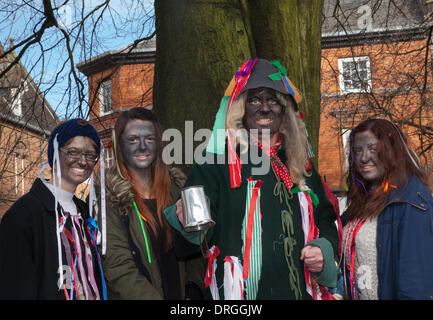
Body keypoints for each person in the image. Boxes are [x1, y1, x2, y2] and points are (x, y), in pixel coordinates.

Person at [164, 58, 340, 300]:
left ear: (285, 110)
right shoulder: (215, 162)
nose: (265, 108)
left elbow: (327, 220)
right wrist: (187, 226)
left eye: (274, 100)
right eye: (255, 100)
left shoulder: (301, 165)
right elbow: (187, 247)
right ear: (241, 109)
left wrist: (323, 249)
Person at [102, 107, 204, 300]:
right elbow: (118, 267)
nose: (142, 147)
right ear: (120, 146)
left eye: (149, 139)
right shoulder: (110, 199)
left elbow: (197, 246)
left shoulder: (179, 191)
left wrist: (193, 286)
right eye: (132, 140)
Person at [0, 119, 106, 300]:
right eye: (73, 152)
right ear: (55, 154)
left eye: (90, 155)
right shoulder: (23, 216)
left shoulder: (84, 213)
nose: (83, 161)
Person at [342, 118, 433, 300]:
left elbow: (415, 285)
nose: (363, 157)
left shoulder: (410, 201)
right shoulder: (364, 199)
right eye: (358, 150)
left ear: (392, 151)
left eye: (373, 149)